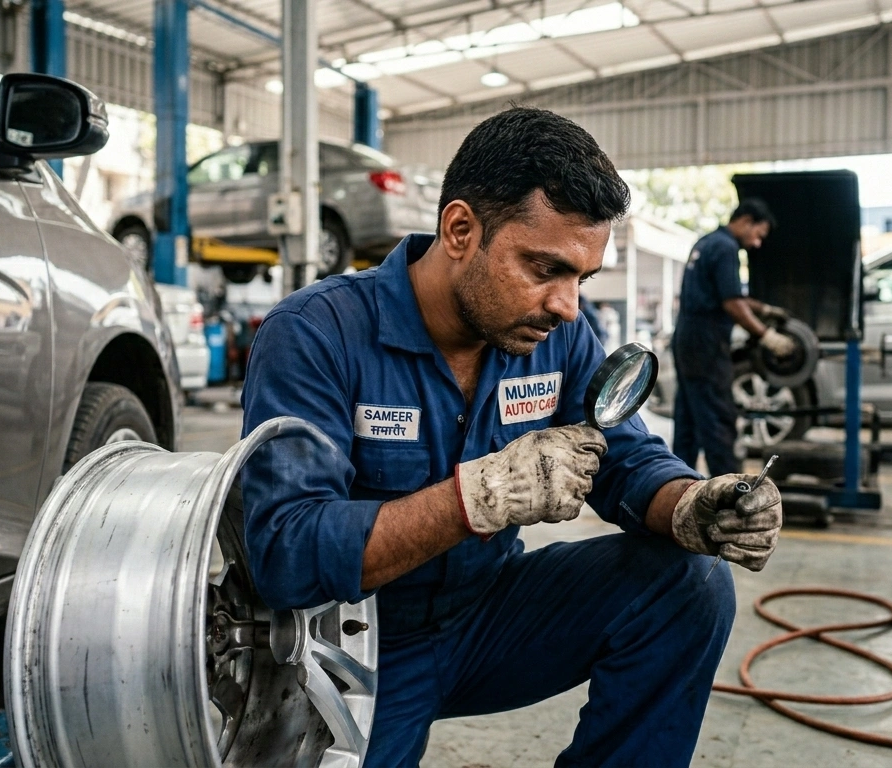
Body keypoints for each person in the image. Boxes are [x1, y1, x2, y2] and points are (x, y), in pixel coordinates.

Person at [241, 107, 784, 768]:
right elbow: (285, 552)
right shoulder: (315, 335)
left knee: (690, 582)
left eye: (580, 278)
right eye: (544, 268)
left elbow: (625, 455)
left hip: (489, 617)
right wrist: (476, 497)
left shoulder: (553, 335)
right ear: (461, 229)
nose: (566, 305)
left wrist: (694, 506)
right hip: (356, 642)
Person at [670, 199, 796, 477]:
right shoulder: (727, 248)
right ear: (746, 221)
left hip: (687, 339)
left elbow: (728, 294)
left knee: (688, 420)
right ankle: (727, 489)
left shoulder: (706, 242)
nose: (757, 243)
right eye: (759, 234)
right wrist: (767, 336)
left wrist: (764, 309)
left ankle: (676, 483)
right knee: (718, 418)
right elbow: (731, 303)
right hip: (707, 344)